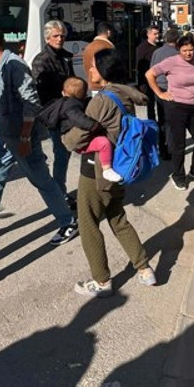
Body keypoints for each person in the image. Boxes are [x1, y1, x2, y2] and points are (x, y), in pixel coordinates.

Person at [0, 27, 78, 245]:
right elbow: (5, 104)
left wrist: (23, 139)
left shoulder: (15, 66)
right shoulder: (1, 66)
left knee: (40, 179)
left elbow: (31, 105)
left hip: (22, 136)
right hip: (6, 135)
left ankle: (68, 222)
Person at [64, 49, 156, 297]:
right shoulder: (125, 94)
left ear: (103, 72)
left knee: (88, 224)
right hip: (120, 167)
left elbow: (76, 138)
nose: (90, 71)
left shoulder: (102, 100)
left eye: (93, 66)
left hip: (96, 172)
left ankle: (102, 282)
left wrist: (65, 137)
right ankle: (144, 269)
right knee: (117, 218)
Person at [147, 34, 194, 190]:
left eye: (191, 50)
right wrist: (160, 93)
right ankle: (178, 176)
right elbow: (149, 74)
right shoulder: (171, 62)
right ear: (178, 50)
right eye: (185, 50)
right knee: (179, 145)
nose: (188, 53)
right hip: (176, 107)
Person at [38, 77, 121, 183]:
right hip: (72, 138)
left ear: (63, 93)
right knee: (104, 143)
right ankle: (107, 169)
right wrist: (95, 126)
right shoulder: (71, 106)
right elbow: (79, 119)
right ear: (84, 94)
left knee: (61, 159)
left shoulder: (65, 103)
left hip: (68, 135)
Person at [31, 20, 76, 203]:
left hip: (67, 108)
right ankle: (59, 194)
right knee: (61, 151)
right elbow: (39, 90)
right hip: (53, 112)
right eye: (56, 36)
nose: (60, 39)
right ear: (47, 37)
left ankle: (60, 191)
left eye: (62, 36)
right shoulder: (42, 60)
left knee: (64, 153)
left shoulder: (65, 56)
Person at [150, 28, 180, 160]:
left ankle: (162, 148)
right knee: (172, 121)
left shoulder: (156, 52)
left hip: (158, 88)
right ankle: (171, 148)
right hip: (171, 89)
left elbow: (151, 70)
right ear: (177, 40)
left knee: (161, 119)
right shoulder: (176, 53)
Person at [82, 22, 116, 92]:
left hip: (93, 86)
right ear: (109, 32)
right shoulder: (107, 46)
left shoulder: (88, 47)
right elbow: (110, 69)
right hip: (106, 87)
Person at [135, 25, 160, 121]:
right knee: (151, 107)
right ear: (148, 34)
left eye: (158, 33)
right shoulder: (142, 48)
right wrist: (141, 85)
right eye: (155, 34)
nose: (157, 36)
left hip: (160, 80)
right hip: (148, 82)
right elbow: (139, 68)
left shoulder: (160, 46)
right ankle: (153, 124)